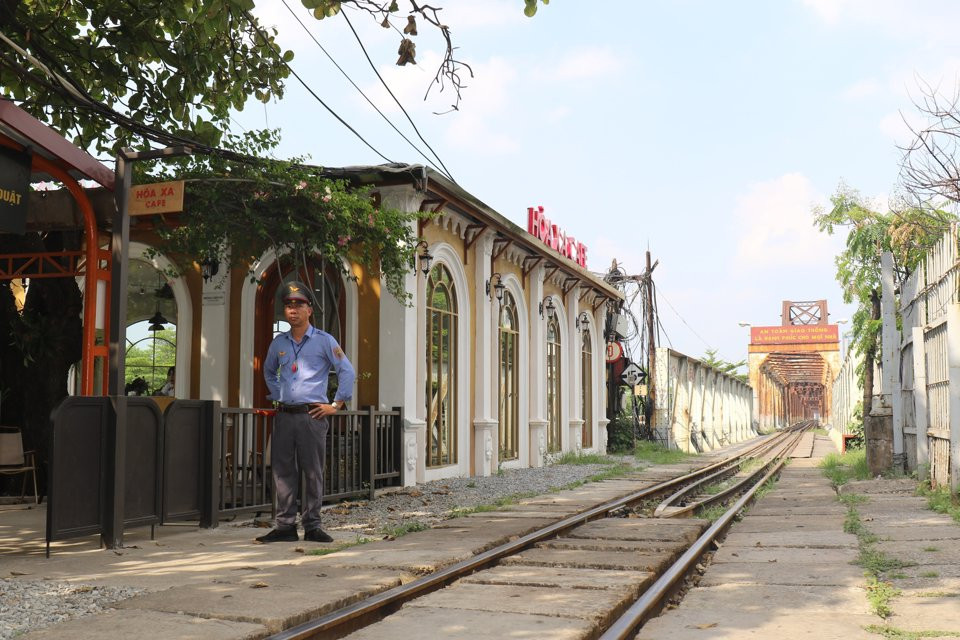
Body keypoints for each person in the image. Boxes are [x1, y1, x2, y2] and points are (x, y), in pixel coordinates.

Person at [256, 280, 355, 544]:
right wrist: (279, 394)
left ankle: (312, 526)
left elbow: (347, 371)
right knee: (282, 472)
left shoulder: (324, 341)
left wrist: (335, 405)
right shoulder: (279, 343)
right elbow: (268, 371)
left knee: (312, 471)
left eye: (299, 305)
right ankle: (285, 527)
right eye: (289, 305)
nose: (293, 310)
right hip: (285, 416)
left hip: (313, 416)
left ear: (309, 310)